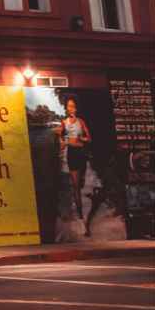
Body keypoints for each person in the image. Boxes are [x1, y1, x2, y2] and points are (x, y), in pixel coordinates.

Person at [61, 98, 93, 232]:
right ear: (67, 108)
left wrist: (81, 139)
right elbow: (61, 138)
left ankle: (78, 202)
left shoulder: (81, 121)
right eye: (69, 106)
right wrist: (64, 142)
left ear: (76, 108)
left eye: (73, 106)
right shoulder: (64, 122)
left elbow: (89, 138)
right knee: (76, 186)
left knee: (80, 183)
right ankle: (81, 218)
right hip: (72, 154)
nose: (71, 108)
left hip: (81, 153)